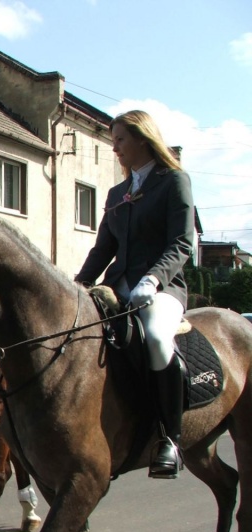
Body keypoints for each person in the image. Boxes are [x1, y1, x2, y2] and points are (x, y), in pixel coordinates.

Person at [74, 110, 195, 479]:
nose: (115, 149)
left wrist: (154, 280)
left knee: (157, 337)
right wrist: (77, 284)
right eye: (114, 141)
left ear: (143, 139)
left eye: (120, 140)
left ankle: (169, 440)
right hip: (118, 288)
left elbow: (182, 242)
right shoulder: (116, 193)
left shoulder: (174, 181)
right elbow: (102, 249)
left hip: (163, 288)